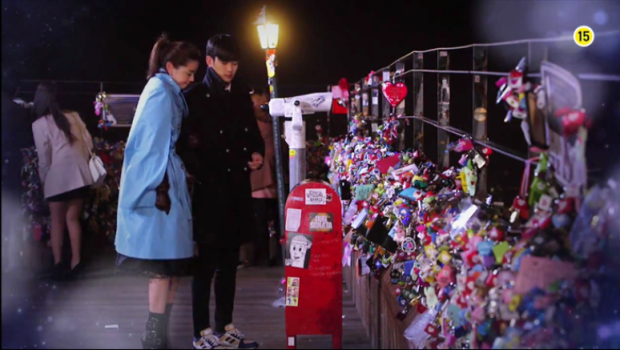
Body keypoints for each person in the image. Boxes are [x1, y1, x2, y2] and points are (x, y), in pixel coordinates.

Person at [115, 34, 200, 350]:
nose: (192, 79)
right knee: (164, 265)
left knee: (169, 263)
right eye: (188, 73)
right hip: (160, 189)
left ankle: (157, 333)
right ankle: (153, 334)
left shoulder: (164, 90)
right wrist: (150, 188)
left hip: (163, 184)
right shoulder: (162, 93)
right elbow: (149, 146)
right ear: (170, 67)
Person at [179, 34, 263, 350]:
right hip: (210, 192)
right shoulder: (195, 96)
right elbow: (185, 147)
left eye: (235, 63)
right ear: (210, 60)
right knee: (206, 265)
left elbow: (253, 136)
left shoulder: (242, 95)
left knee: (230, 263)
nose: (231, 69)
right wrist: (203, 176)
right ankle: (200, 332)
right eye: (225, 62)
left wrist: (256, 154)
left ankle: (224, 325)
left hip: (238, 189)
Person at [30, 82, 94, 279]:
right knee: (72, 219)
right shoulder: (74, 117)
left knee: (56, 222)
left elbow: (44, 158)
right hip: (80, 176)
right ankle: (77, 262)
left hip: (57, 178)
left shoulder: (39, 124)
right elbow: (89, 143)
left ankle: (58, 264)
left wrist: (44, 181)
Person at [248, 88, 280, 267]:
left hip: (261, 170)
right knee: (272, 217)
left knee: (261, 219)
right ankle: (271, 255)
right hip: (269, 168)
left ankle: (262, 255)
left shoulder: (257, 122)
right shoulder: (272, 120)